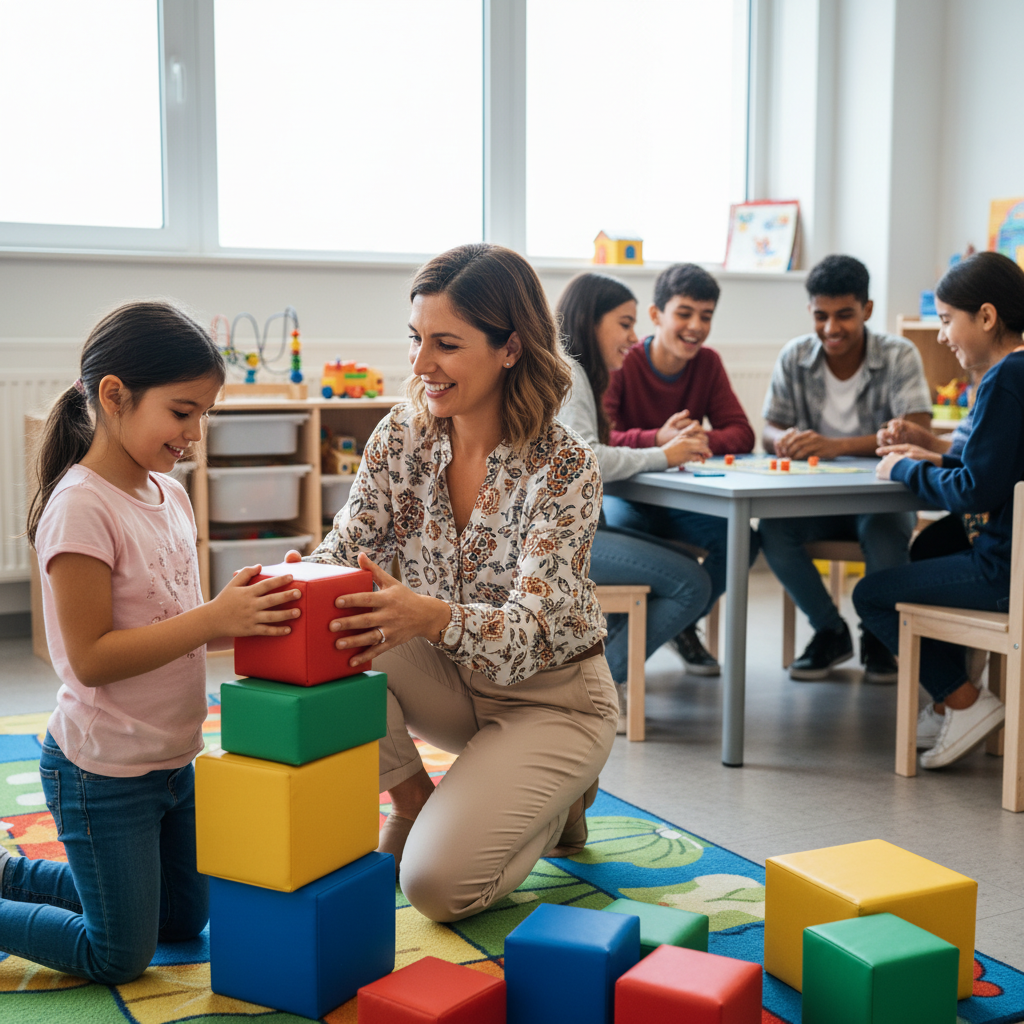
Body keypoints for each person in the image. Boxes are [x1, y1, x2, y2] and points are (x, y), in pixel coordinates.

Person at [286, 243, 617, 924]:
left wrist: (432, 617)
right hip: (451, 684)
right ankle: (421, 805)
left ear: (510, 348)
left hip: (550, 700)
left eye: (445, 343)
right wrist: (292, 581)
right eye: (415, 339)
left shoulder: (566, 465)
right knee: (330, 617)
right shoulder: (400, 436)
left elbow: (531, 632)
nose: (419, 364)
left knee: (436, 888)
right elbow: (344, 550)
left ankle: (558, 796)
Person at [5, 302, 302, 983]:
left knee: (181, 918)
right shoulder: (81, 506)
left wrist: (251, 599)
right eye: (182, 411)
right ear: (114, 396)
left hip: (171, 760)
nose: (196, 432)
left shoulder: (172, 494)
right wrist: (214, 619)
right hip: (101, 771)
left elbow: (174, 609)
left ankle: (27, 878)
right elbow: (90, 657)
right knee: (119, 954)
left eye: (205, 415)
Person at [855, 251, 1024, 767]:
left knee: (873, 595)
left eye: (948, 320)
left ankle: (964, 700)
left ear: (988, 317)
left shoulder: (1004, 380)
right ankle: (951, 696)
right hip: (1011, 555)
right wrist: (934, 456)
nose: (944, 334)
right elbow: (998, 470)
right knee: (930, 543)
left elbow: (974, 491)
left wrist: (903, 470)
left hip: (1006, 572)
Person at [760, 255, 932, 683]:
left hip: (881, 497)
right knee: (773, 533)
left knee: (885, 532)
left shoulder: (899, 354)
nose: (831, 328)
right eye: (821, 316)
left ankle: (877, 634)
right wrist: (781, 440)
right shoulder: (794, 355)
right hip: (814, 499)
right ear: (810, 312)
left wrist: (834, 447)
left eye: (844, 316)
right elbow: (768, 427)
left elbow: (919, 430)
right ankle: (829, 630)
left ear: (867, 310)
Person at [556, 272, 713, 729]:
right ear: (591, 320)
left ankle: (596, 677)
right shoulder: (568, 373)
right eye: (624, 323)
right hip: (564, 541)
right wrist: (662, 455)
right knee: (692, 584)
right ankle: (600, 688)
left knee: (681, 560)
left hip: (571, 533)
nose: (633, 337)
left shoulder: (572, 372)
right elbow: (587, 459)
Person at [602, 263, 757, 676]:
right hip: (626, 493)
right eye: (685, 313)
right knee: (631, 534)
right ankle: (632, 646)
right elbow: (601, 440)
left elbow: (742, 433)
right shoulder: (624, 361)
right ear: (656, 316)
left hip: (684, 499)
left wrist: (695, 443)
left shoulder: (708, 364)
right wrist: (659, 439)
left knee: (744, 541)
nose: (696, 326)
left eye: (706, 316)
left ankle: (676, 623)